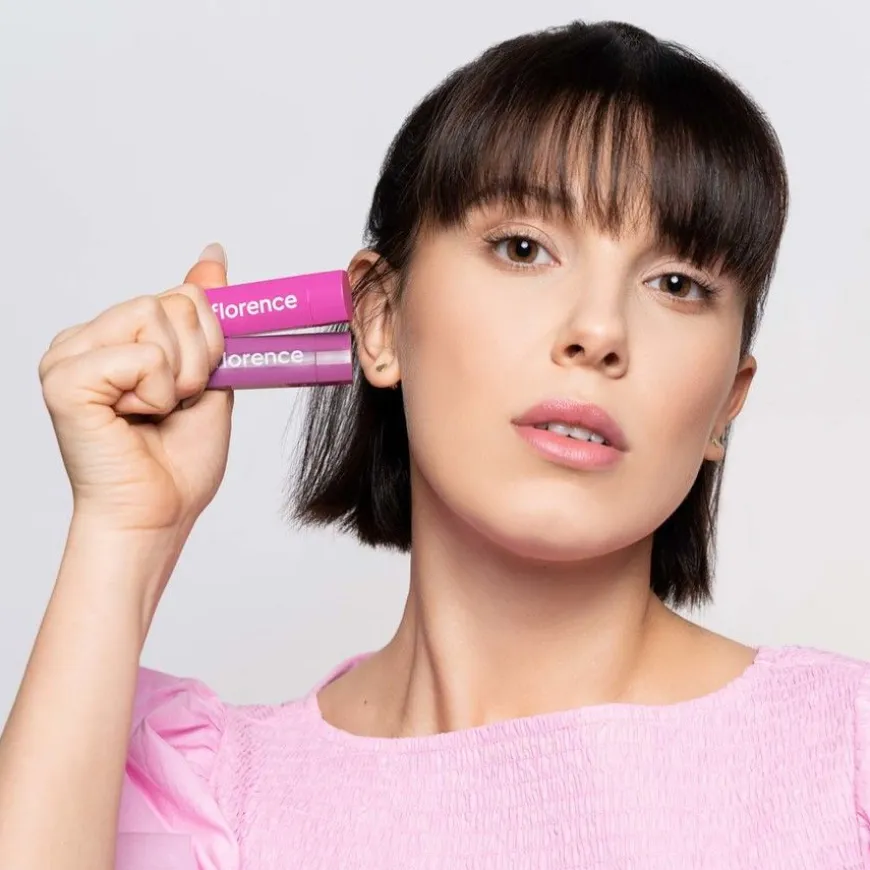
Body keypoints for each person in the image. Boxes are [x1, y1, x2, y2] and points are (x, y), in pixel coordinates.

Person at [1, 17, 868, 870]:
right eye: (524, 248)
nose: (600, 331)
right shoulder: (206, 801)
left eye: (676, 283)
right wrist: (124, 534)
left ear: (727, 403)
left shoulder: (846, 759)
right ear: (379, 321)